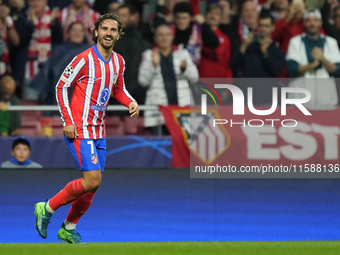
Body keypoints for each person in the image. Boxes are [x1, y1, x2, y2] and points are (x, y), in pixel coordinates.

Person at [34, 13, 139, 244]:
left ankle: (68, 228)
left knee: (93, 185)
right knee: (92, 180)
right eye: (104, 29)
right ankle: (47, 208)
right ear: (96, 32)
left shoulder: (119, 61)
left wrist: (130, 101)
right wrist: (67, 121)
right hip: (79, 129)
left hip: (98, 130)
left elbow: (118, 89)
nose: (108, 33)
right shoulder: (83, 59)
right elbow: (61, 86)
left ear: (119, 34)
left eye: (113, 29)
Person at [138, 25, 198, 135]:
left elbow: (195, 77)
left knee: (183, 148)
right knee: (162, 148)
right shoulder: (148, 55)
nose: (164, 38)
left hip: (182, 110)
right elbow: (143, 81)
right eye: (161, 35)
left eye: (167, 35)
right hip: (159, 112)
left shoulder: (182, 54)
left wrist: (184, 69)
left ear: (172, 37)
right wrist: (153, 65)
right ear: (155, 38)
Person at [287, 9, 340, 108]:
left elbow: (338, 71)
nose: (312, 23)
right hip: (300, 100)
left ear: (320, 22)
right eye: (309, 20)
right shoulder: (295, 42)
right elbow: (291, 69)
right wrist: (312, 65)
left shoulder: (331, 42)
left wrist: (323, 59)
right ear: (304, 23)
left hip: (326, 100)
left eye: (315, 20)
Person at [30, 21, 89, 106]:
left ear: (84, 34)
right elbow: (47, 72)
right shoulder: (59, 50)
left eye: (80, 31)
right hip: (59, 97)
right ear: (68, 33)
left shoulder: (91, 51)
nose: (77, 33)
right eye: (74, 30)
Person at [199, 4, 233, 78]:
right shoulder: (197, 33)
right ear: (205, 15)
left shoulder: (225, 39)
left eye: (217, 14)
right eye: (210, 12)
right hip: (200, 80)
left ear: (221, 19)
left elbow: (226, 64)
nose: (213, 16)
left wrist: (227, 86)